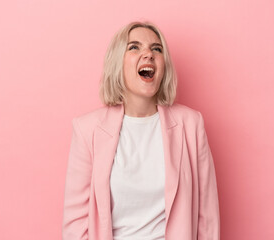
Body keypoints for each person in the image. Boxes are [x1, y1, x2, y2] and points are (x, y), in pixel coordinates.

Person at [62, 21, 220, 240]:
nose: (148, 54)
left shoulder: (191, 124)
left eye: (157, 48)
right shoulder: (87, 129)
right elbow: (74, 223)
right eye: (134, 47)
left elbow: (207, 217)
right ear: (117, 62)